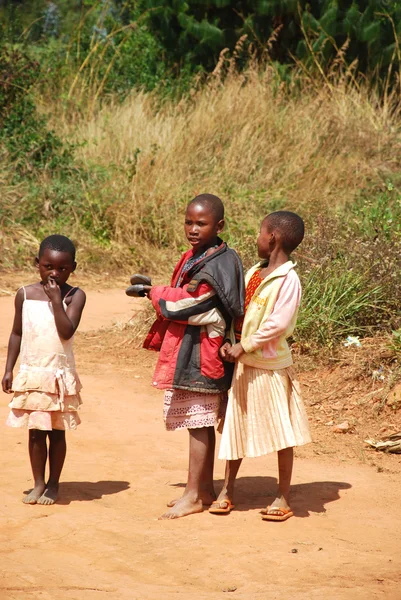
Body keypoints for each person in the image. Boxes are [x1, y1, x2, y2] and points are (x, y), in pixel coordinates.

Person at [143, 193, 244, 520]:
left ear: (219, 225)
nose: (193, 228)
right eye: (189, 221)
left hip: (205, 353)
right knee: (196, 422)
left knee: (199, 422)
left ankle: (193, 494)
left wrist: (155, 293)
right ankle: (202, 489)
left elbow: (191, 304)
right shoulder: (195, 256)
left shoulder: (221, 262)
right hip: (191, 349)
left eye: (201, 223)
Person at [209, 211, 311, 521]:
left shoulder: (288, 280)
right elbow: (238, 311)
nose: (256, 238)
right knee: (234, 428)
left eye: (260, 232)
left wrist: (243, 346)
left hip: (268, 367)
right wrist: (230, 341)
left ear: (273, 238)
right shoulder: (255, 271)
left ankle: (283, 497)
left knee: (282, 432)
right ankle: (227, 490)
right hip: (243, 362)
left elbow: (277, 325)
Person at [2, 235, 86, 505]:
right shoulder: (24, 294)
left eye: (62, 268)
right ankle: (38, 482)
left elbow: (66, 332)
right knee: (36, 431)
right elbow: (16, 333)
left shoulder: (75, 296)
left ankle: (53, 483)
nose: (55, 273)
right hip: (32, 373)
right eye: (48, 266)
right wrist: (8, 370)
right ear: (37, 263)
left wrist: (55, 299)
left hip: (58, 375)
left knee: (57, 432)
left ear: (73, 267)